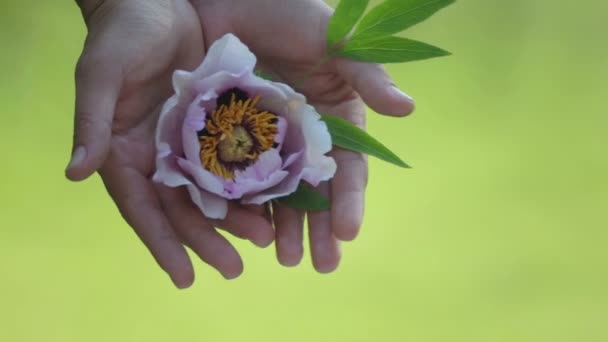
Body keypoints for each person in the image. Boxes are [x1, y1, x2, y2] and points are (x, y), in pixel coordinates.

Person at [68, 0, 415, 288]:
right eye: (241, 141)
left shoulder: (286, 124)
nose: (237, 142)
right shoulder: (185, 129)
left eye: (242, 147)